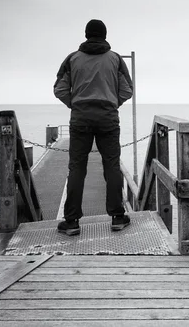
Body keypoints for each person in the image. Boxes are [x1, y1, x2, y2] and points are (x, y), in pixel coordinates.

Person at [53, 19, 133, 235]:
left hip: (80, 119)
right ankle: (117, 217)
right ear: (105, 35)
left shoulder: (72, 59)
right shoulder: (115, 59)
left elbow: (59, 88)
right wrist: (111, 103)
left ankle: (71, 222)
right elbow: (127, 89)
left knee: (77, 168)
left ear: (86, 34)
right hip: (107, 118)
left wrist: (76, 104)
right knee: (112, 166)